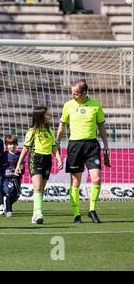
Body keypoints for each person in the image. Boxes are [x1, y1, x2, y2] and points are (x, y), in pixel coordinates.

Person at [55, 79, 111, 223]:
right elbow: (62, 126)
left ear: (84, 93)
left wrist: (106, 145)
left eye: (76, 94)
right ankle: (76, 214)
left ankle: (92, 210)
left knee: (97, 179)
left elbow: (101, 127)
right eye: (72, 93)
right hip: (75, 146)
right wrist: (57, 142)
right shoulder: (68, 105)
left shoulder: (95, 105)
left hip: (92, 145)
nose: (73, 96)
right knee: (75, 181)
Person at [15, 106, 63, 224]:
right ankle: (38, 213)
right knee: (37, 187)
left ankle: (35, 213)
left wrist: (59, 159)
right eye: (47, 114)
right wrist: (18, 164)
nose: (49, 116)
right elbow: (25, 149)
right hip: (35, 159)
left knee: (41, 189)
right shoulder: (32, 131)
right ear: (40, 117)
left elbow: (54, 147)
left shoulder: (50, 131)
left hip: (47, 160)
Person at [0, 135, 23, 217]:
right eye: (10, 144)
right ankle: (9, 210)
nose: (12, 146)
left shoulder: (19, 155)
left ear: (16, 144)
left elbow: (22, 166)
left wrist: (20, 170)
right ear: (6, 145)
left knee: (16, 195)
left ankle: (7, 204)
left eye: (14, 144)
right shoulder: (3, 155)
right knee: (9, 192)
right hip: (6, 178)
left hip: (16, 178)